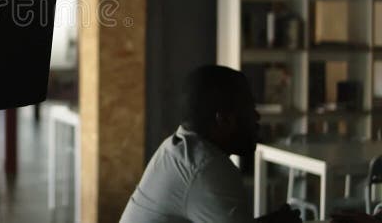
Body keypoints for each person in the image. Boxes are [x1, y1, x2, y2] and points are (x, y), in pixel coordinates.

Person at [119, 65, 302, 223]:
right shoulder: (207, 167)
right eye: (249, 110)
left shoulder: (179, 150)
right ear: (223, 120)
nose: (257, 117)